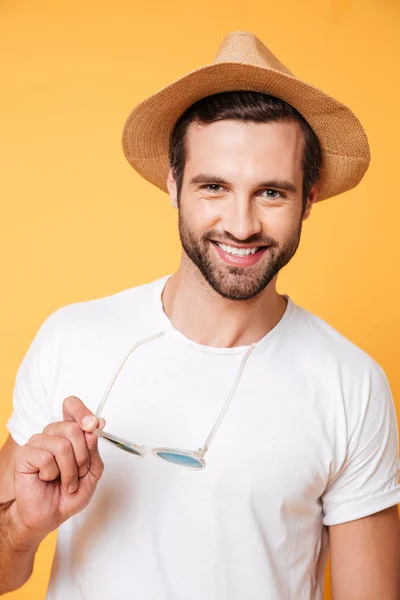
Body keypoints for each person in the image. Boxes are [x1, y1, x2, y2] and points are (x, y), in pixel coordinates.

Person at [0, 29, 399, 600]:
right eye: (214, 186)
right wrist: (24, 526)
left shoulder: (351, 384)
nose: (241, 224)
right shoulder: (72, 337)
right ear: (173, 185)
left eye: (272, 193)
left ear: (309, 199)